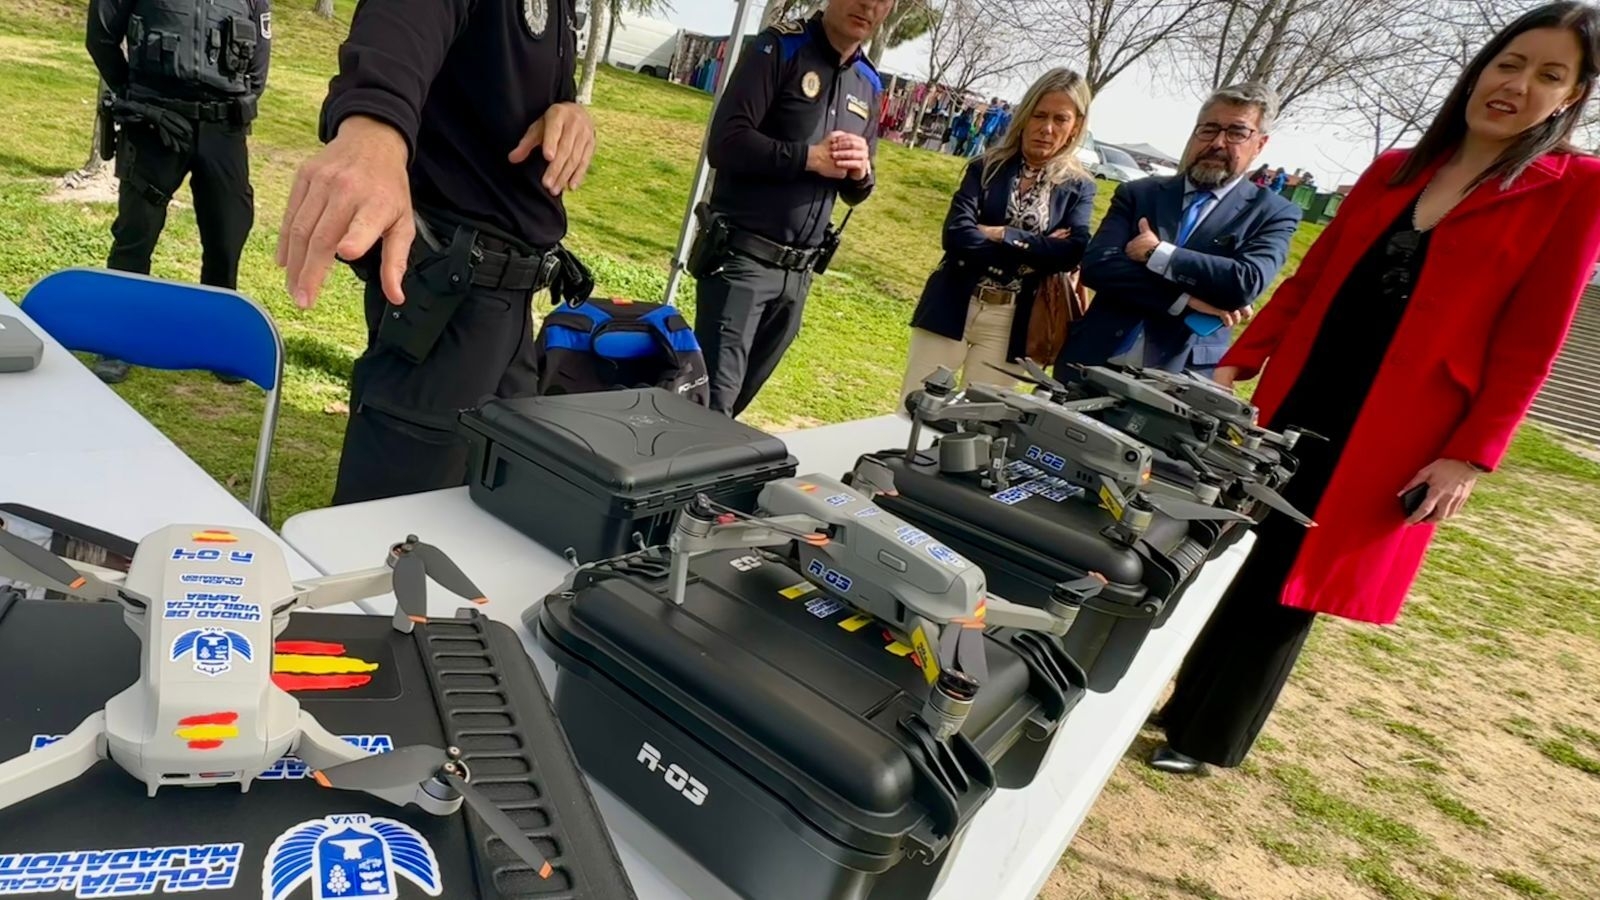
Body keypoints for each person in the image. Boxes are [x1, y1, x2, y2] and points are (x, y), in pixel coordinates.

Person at [1148, 0, 1600, 776]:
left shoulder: (1576, 188)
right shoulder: (1397, 168)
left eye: (1550, 75)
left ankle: (1206, 736)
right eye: (1509, 63)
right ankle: (1170, 695)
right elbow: (1314, 277)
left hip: (1396, 424)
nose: (1519, 85)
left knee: (1291, 579)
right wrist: (1238, 361)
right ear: (1479, 68)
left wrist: (1471, 455)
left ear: (1573, 97)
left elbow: (1535, 341)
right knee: (1221, 544)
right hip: (1300, 393)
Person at [275, 0, 597, 504]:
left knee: (495, 520)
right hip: (445, 300)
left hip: (513, 311)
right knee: (388, 533)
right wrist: (375, 122)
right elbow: (404, 23)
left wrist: (570, 110)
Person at [689, 0, 890, 418]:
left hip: (798, 277)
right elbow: (725, 143)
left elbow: (858, 190)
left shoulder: (869, 82)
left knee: (734, 406)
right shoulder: (780, 48)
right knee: (713, 410)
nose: (869, 5)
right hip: (743, 259)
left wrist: (860, 172)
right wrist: (807, 158)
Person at [1053, 83, 1302, 377]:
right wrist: (1185, 300)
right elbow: (1098, 266)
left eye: (1236, 132)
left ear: (1260, 144)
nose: (1218, 143)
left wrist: (1159, 254)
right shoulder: (1139, 194)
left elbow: (1244, 282)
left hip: (1182, 376)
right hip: (1092, 359)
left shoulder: (1272, 213)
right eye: (1208, 129)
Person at [87, 0, 271, 384]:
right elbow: (101, 39)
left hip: (223, 128)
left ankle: (218, 341)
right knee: (136, 233)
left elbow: (258, 64)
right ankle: (117, 342)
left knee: (227, 236)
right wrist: (135, 96)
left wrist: (231, 105)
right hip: (155, 123)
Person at [901, 69, 1097, 401]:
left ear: (1075, 126)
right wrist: (1037, 252)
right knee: (916, 407)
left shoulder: (1079, 187)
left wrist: (1002, 234)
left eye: (1060, 119)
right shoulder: (986, 167)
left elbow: (1072, 252)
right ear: (1025, 115)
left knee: (975, 424)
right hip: (953, 302)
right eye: (1040, 115)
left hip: (1013, 321)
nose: (1047, 128)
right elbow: (956, 236)